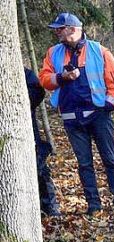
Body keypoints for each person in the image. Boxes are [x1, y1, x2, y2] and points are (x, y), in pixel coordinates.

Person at [39, 12, 114, 215]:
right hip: (71, 117)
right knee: (84, 163)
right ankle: (93, 205)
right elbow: (44, 79)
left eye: (59, 29)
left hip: (98, 115)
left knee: (110, 159)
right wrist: (62, 76)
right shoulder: (53, 52)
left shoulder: (100, 50)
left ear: (73, 29)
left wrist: (106, 107)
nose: (57, 33)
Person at [25, 66, 60, 217]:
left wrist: (18, 101)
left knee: (39, 169)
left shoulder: (20, 72)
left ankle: (49, 208)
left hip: (25, 129)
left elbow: (38, 91)